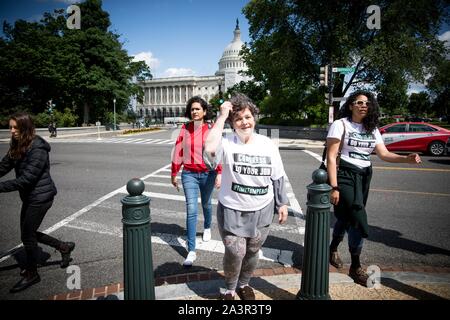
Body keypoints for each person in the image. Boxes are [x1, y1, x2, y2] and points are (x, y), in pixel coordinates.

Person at [325, 90, 421, 287]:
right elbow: (332, 156)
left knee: (346, 216)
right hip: (345, 174)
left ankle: (332, 248)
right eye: (359, 102)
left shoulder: (372, 128)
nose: (363, 106)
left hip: (365, 175)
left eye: (367, 103)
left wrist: (406, 159)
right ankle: (356, 266)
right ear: (351, 105)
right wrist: (334, 186)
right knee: (359, 216)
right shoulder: (340, 124)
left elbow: (384, 154)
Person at [204, 93, 289, 300]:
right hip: (232, 209)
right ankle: (230, 288)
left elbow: (277, 175)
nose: (244, 122)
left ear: (254, 118)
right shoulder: (227, 142)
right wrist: (223, 115)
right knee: (236, 252)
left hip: (262, 209)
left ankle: (244, 284)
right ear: (233, 123)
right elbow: (209, 149)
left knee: (252, 251)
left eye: (248, 117)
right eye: (238, 118)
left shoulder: (267, 143)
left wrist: (282, 203)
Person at [0, 113, 75, 293]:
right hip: (30, 196)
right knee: (29, 233)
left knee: (27, 235)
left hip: (41, 197)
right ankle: (63, 247)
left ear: (26, 128)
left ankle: (32, 273)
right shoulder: (18, 144)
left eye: (15, 128)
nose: (11, 131)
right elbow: (4, 166)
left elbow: (26, 180)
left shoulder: (38, 148)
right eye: (10, 127)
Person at [171, 96, 222, 267]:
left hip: (208, 174)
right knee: (191, 209)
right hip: (189, 175)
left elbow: (218, 152)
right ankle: (191, 250)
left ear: (204, 111)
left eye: (198, 109)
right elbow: (178, 151)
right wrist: (174, 173)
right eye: (192, 109)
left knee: (206, 204)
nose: (194, 111)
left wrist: (220, 173)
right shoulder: (185, 128)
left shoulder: (211, 128)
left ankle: (207, 227)